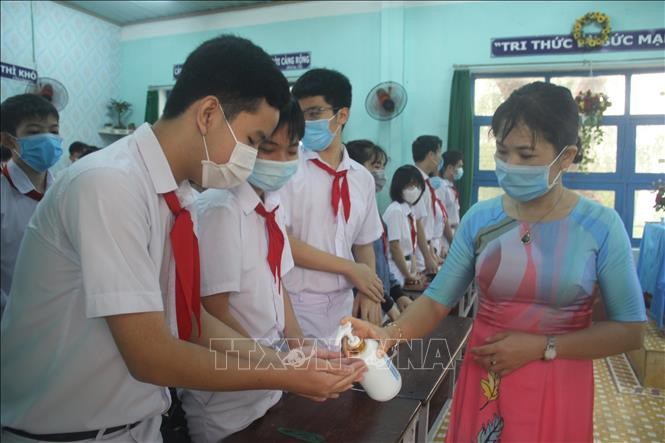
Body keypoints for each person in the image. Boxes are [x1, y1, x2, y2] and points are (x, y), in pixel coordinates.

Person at [1, 35, 364, 443]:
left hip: (136, 425)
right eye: (253, 141)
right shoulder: (109, 184)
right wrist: (286, 373)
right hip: (68, 433)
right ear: (209, 113)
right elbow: (150, 354)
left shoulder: (177, 197)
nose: (253, 157)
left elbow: (190, 322)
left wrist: (292, 360)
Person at [344, 81, 646, 441]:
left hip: (560, 377)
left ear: (566, 157)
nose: (510, 165)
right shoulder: (481, 219)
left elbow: (630, 331)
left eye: (526, 155)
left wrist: (543, 346)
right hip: (487, 376)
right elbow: (437, 300)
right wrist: (388, 335)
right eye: (502, 152)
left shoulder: (600, 226)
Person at [181, 98, 307, 442]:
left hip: (268, 379)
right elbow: (212, 310)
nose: (281, 161)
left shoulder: (272, 205)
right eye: (268, 148)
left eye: (291, 150)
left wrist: (300, 350)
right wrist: (274, 364)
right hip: (226, 395)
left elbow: (279, 287)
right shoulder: (220, 209)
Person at [279, 68, 384, 346]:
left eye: (314, 114)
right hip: (297, 306)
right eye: (300, 114)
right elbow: (282, 242)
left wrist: (368, 289)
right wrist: (350, 270)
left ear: (343, 115)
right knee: (307, 385)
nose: (305, 122)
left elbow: (364, 244)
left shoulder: (361, 177)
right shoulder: (288, 171)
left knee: (354, 383)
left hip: (346, 306)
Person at [0, 94, 62, 319]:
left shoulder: (65, 188)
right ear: (8, 140)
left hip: (59, 315)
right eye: (34, 132)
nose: (48, 140)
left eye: (54, 131)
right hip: (10, 321)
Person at [346, 139, 413, 319]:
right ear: (354, 167)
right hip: (361, 304)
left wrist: (397, 292)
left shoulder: (373, 209)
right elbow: (361, 268)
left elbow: (381, 261)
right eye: (375, 166)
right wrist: (388, 302)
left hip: (379, 300)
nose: (380, 173)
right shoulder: (349, 211)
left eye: (382, 167)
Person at [411, 135, 452, 277]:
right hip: (419, 253)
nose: (440, 158)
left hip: (427, 249)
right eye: (439, 153)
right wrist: (428, 257)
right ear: (431, 155)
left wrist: (431, 254)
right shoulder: (415, 180)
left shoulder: (426, 180)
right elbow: (417, 223)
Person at [382, 165, 426, 289]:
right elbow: (395, 247)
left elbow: (411, 247)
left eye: (417, 186)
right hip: (394, 269)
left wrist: (414, 273)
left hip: (404, 268)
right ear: (399, 187)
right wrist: (408, 275)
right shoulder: (395, 210)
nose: (415, 190)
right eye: (410, 186)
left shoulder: (409, 211)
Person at [435, 150, 463, 254]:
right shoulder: (440, 187)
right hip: (444, 237)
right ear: (450, 168)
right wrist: (452, 241)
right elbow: (442, 217)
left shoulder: (451, 187)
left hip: (453, 234)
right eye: (459, 166)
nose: (461, 170)